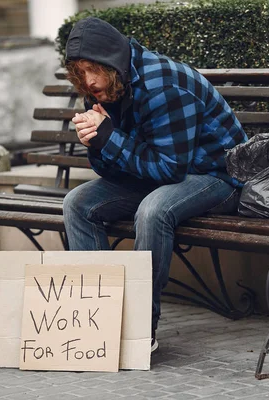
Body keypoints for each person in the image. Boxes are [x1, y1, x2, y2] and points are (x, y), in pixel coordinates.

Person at [63, 17, 247, 353]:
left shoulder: (164, 86)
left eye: (93, 69)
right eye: (80, 71)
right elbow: (118, 170)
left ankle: (138, 328)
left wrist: (109, 138)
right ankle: (100, 321)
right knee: (77, 203)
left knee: (154, 209)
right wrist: (97, 142)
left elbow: (169, 169)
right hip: (162, 174)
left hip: (217, 177)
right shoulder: (105, 87)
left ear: (111, 61)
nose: (88, 82)